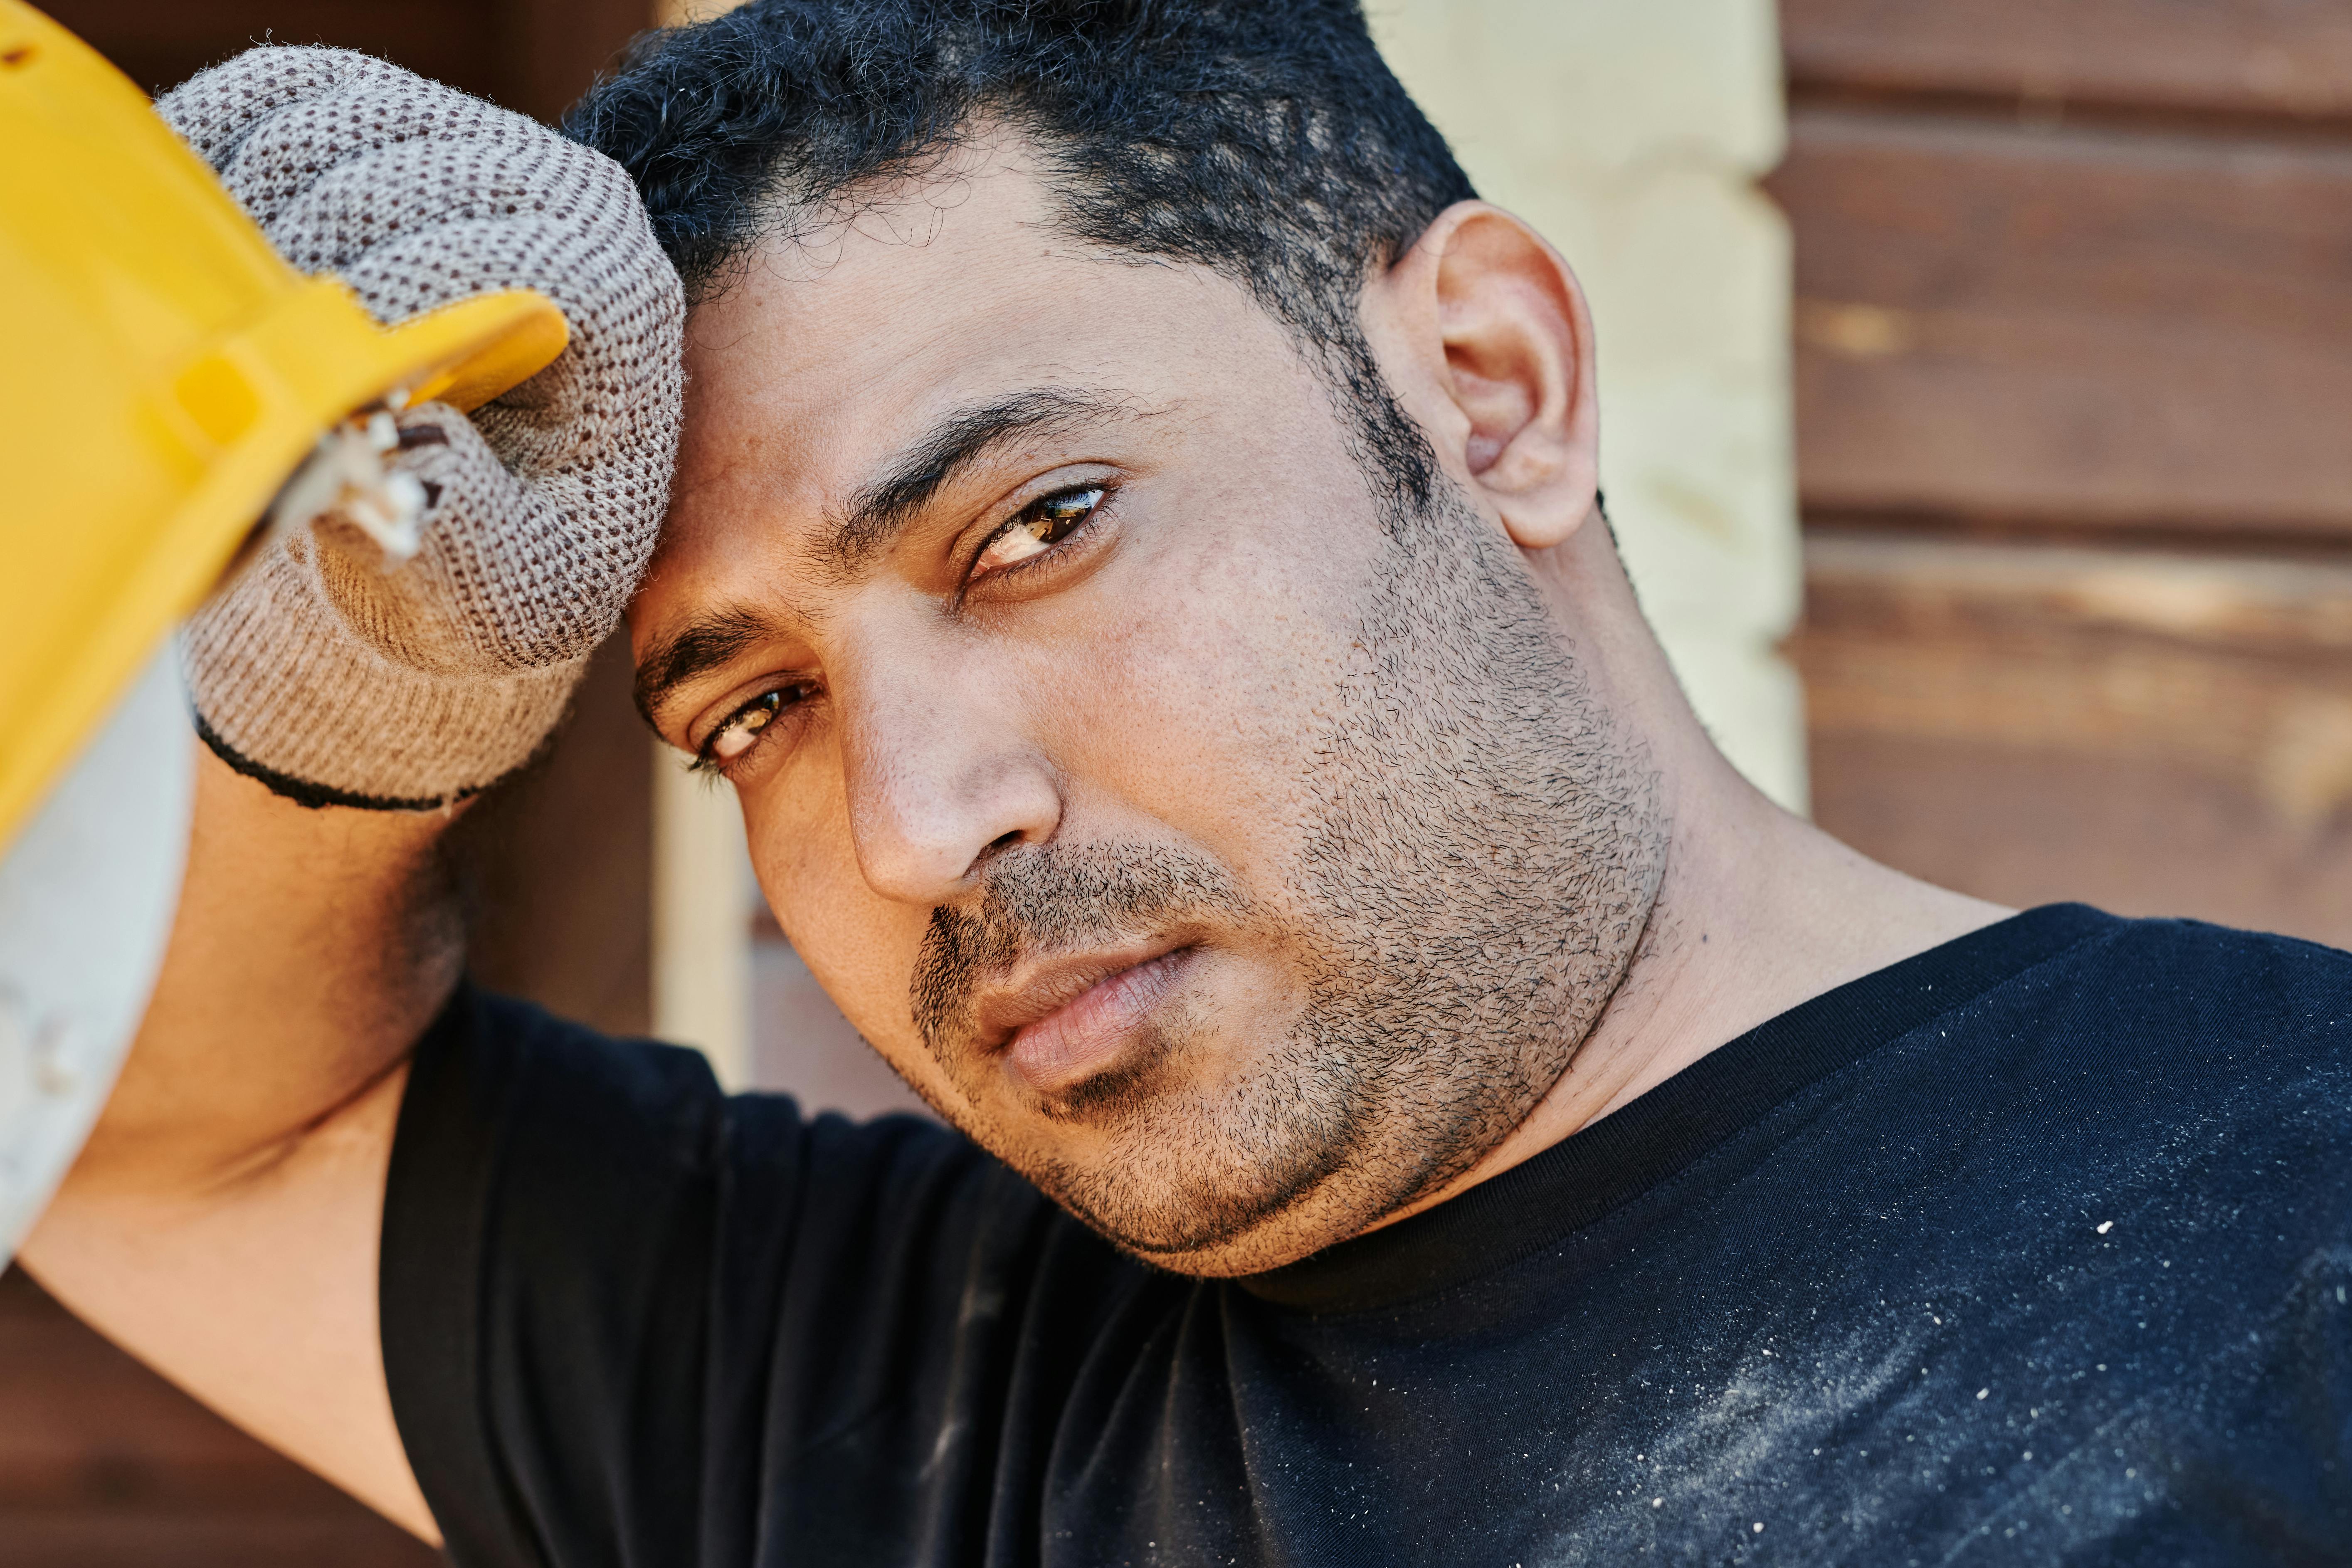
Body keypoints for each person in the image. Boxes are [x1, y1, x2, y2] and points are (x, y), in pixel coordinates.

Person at [23, 2, 2352, 1563]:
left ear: (1496, 384)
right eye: (753, 710)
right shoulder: (877, 1403)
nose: (917, 828)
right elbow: (123, 1111)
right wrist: (371, 650)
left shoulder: (2298, 1204)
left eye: (1037, 528)